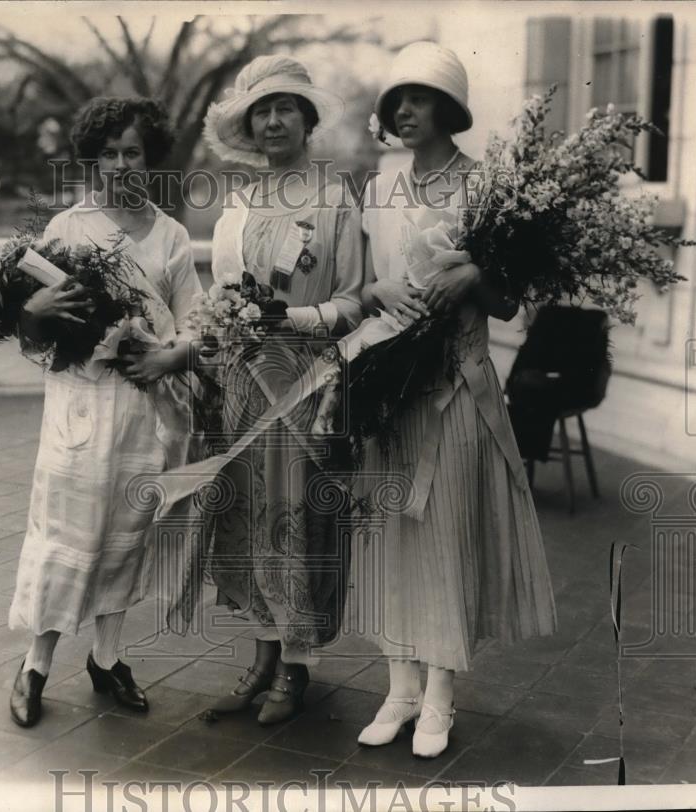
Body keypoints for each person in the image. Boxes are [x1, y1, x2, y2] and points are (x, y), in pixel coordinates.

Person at [354, 42, 556, 757]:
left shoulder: (486, 188)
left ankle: (439, 695)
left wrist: (473, 273)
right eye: (394, 101)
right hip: (390, 389)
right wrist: (377, 292)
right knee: (389, 538)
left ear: (448, 107)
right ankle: (398, 687)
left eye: (417, 97)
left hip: (458, 390)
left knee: (447, 535)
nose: (402, 111)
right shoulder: (378, 189)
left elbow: (508, 305)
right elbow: (360, 289)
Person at [7, 96, 203, 727]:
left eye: (133, 152)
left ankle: (109, 657)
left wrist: (172, 358)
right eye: (108, 153)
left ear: (151, 158)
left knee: (125, 535)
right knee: (64, 534)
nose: (120, 164)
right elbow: (36, 332)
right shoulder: (67, 228)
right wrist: (31, 316)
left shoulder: (171, 234)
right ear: (90, 160)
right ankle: (35, 664)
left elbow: (195, 319)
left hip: (143, 409)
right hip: (80, 405)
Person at [201, 54, 363, 725]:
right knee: (246, 519)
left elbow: (353, 303)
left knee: (295, 522)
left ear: (306, 119)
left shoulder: (334, 199)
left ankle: (297, 669)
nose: (273, 120)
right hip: (243, 380)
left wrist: (290, 318)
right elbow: (220, 296)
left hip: (303, 378)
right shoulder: (238, 206)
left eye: (285, 108)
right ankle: (262, 658)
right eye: (261, 110)